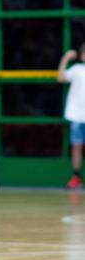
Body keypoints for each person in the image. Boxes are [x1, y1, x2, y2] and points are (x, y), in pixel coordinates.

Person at [58, 44, 85, 189]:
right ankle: (76, 176)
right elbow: (61, 77)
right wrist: (66, 57)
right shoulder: (77, 70)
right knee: (76, 146)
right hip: (77, 116)